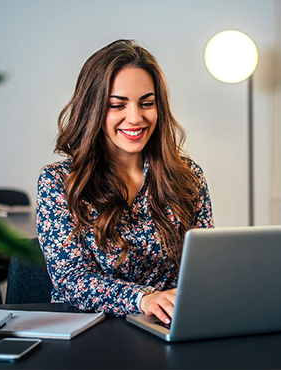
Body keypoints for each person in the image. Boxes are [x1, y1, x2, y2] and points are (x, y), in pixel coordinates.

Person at [36, 39, 213, 324]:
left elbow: (205, 267)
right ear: (93, 110)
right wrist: (143, 298)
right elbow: (71, 280)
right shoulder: (59, 181)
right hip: (89, 334)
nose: (135, 118)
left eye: (147, 103)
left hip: (169, 327)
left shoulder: (188, 176)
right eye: (117, 105)